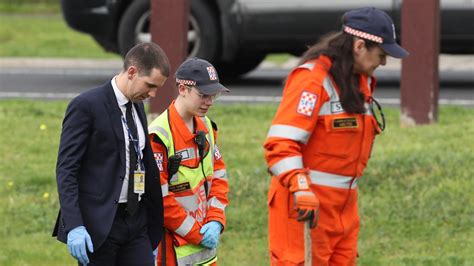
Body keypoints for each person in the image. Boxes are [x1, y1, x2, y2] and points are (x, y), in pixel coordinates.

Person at [263, 7, 409, 265]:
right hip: (305, 209)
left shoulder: (359, 81)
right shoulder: (312, 81)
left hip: (343, 212)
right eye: (382, 55)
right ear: (360, 46)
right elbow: (280, 144)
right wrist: (300, 187)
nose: (384, 63)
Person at [53, 42, 170, 265]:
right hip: (101, 225)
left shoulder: (136, 105)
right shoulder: (86, 105)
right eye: (150, 85)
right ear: (132, 72)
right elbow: (66, 169)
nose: (153, 93)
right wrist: (75, 225)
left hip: (136, 223)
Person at [148, 57, 229, 265]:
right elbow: (160, 200)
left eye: (214, 95)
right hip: (173, 250)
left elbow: (219, 177)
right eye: (203, 95)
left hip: (206, 250)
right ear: (183, 89)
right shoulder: (159, 136)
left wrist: (216, 220)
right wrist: (198, 234)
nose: (209, 102)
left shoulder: (207, 127)